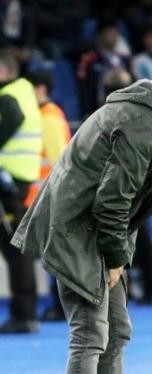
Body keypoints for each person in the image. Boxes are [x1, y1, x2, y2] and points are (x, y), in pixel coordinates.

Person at [11, 46, 152, 373]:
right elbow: (113, 200)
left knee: (115, 331)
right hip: (78, 232)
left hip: (89, 230)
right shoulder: (142, 121)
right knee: (91, 334)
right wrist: (115, 257)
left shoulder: (150, 115)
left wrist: (115, 253)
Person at [24, 69, 72, 322]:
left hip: (50, 196)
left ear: (41, 89)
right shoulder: (45, 116)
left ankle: (61, 306)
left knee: (56, 256)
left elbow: (59, 161)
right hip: (43, 196)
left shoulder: (49, 118)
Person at [0, 50, 42, 334]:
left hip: (8, 180)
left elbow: (12, 119)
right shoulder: (25, 90)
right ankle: (24, 311)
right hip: (21, 177)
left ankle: (23, 314)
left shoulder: (8, 96)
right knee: (16, 246)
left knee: (14, 248)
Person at [77, 18, 132, 118]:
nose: (112, 36)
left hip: (124, 111)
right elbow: (84, 88)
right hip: (98, 111)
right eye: (109, 32)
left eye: (115, 32)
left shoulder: (125, 60)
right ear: (100, 36)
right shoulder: (89, 60)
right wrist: (87, 112)